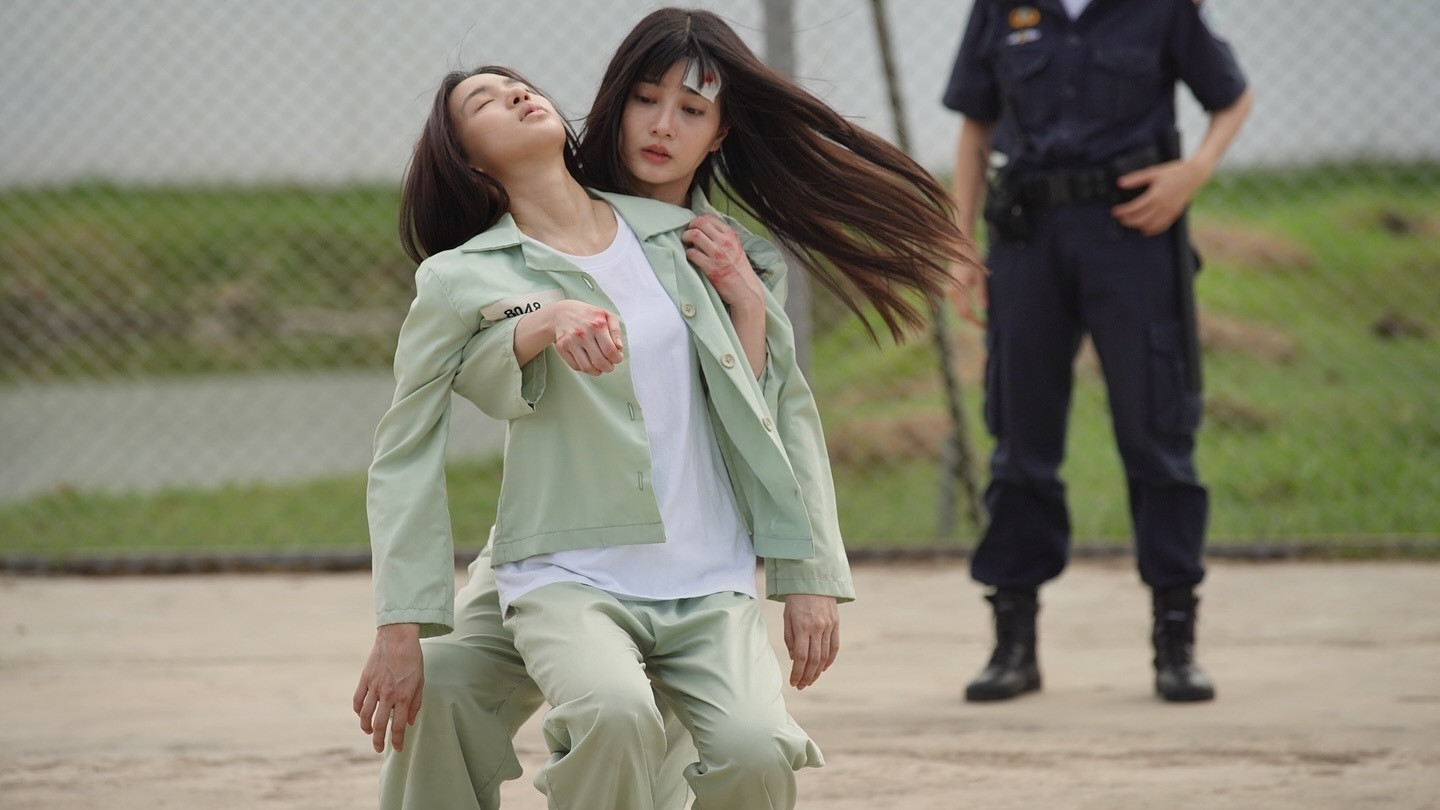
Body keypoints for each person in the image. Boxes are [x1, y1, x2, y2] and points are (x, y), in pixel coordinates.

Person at [357, 8, 976, 810]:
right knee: (448, 683)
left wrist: (809, 574)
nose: (662, 126)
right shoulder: (474, 272)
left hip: (696, 572)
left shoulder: (709, 250)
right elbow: (468, 372)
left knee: (725, 749)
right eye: (647, 100)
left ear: (720, 132)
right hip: (557, 559)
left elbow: (772, 413)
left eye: (691, 109)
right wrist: (400, 622)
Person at [943, 0, 1253, 703]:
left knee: (1157, 436)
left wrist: (1193, 171)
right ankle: (1013, 644)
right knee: (1019, 444)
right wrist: (960, 243)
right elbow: (976, 123)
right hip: (1027, 239)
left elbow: (1232, 97)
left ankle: (1175, 641)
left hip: (1134, 236)